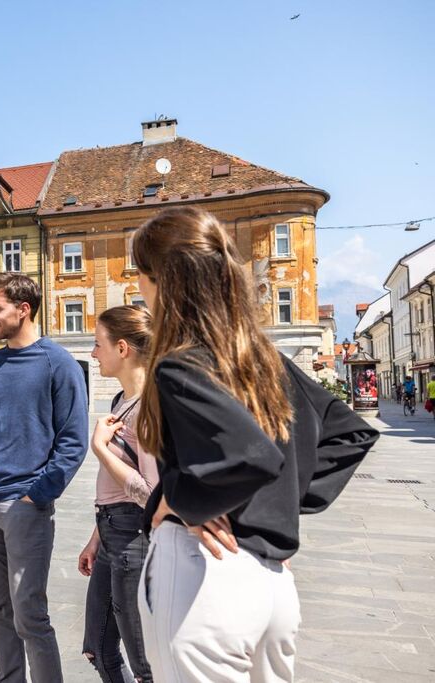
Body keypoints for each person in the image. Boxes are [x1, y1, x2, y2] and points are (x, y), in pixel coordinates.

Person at [131, 207, 379, 682]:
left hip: (205, 577)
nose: (139, 288)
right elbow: (352, 433)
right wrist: (275, 506)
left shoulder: (180, 365)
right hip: (272, 587)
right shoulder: (266, 360)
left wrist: (184, 503)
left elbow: (250, 457)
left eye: (141, 274)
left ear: (165, 280)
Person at [0, 272, 88, 683]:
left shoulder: (58, 364)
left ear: (23, 310)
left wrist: (37, 495)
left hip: (25, 507)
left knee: (31, 615)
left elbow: (73, 442)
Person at [79, 305, 157, 683]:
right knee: (98, 645)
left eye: (98, 345)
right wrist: (95, 538)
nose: (94, 354)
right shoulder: (119, 402)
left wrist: (100, 449)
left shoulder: (149, 409)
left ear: (122, 348)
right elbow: (114, 487)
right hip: (109, 531)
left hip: (134, 537)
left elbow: (151, 494)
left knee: (145, 664)